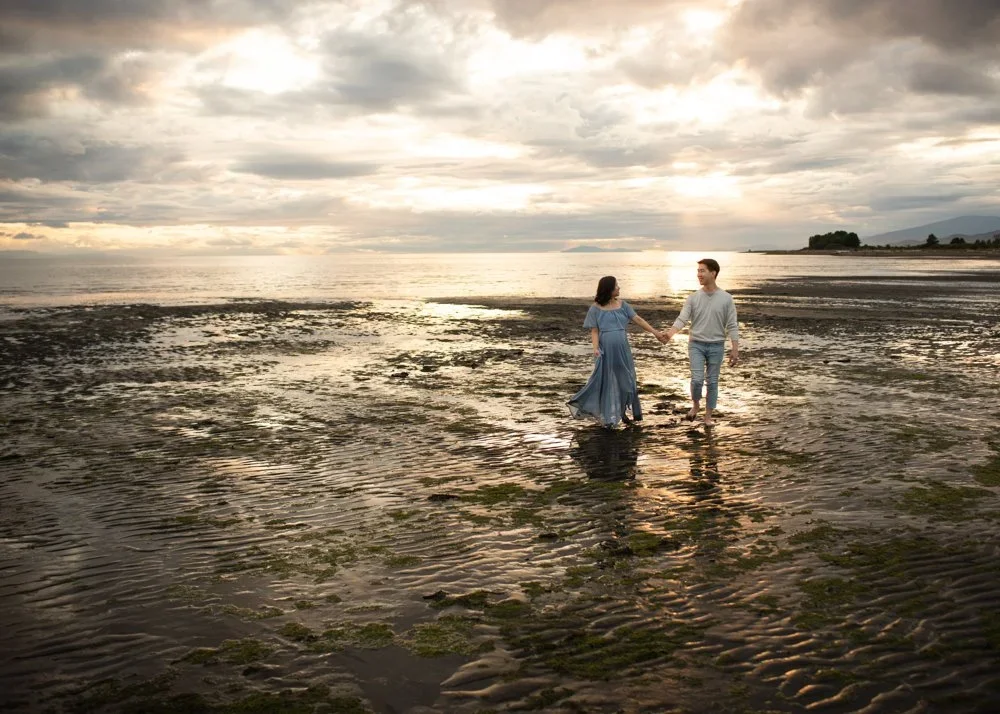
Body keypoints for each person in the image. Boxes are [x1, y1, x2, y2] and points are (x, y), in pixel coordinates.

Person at [568, 276, 664, 428]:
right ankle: (603, 411)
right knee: (606, 381)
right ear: (609, 289)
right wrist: (595, 349)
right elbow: (594, 331)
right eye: (616, 286)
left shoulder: (623, 305)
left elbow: (637, 319)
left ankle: (622, 410)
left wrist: (655, 332)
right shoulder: (595, 308)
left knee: (627, 379)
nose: (619, 288)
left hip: (622, 348)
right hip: (605, 349)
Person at [661, 258, 739, 427]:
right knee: (697, 380)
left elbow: (732, 324)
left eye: (702, 271)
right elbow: (682, 319)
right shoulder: (693, 298)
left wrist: (735, 349)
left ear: (713, 273)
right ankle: (696, 405)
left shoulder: (726, 298)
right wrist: (670, 334)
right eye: (698, 271)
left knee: (712, 381)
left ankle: (708, 417)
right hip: (696, 344)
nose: (699, 274)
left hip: (717, 345)